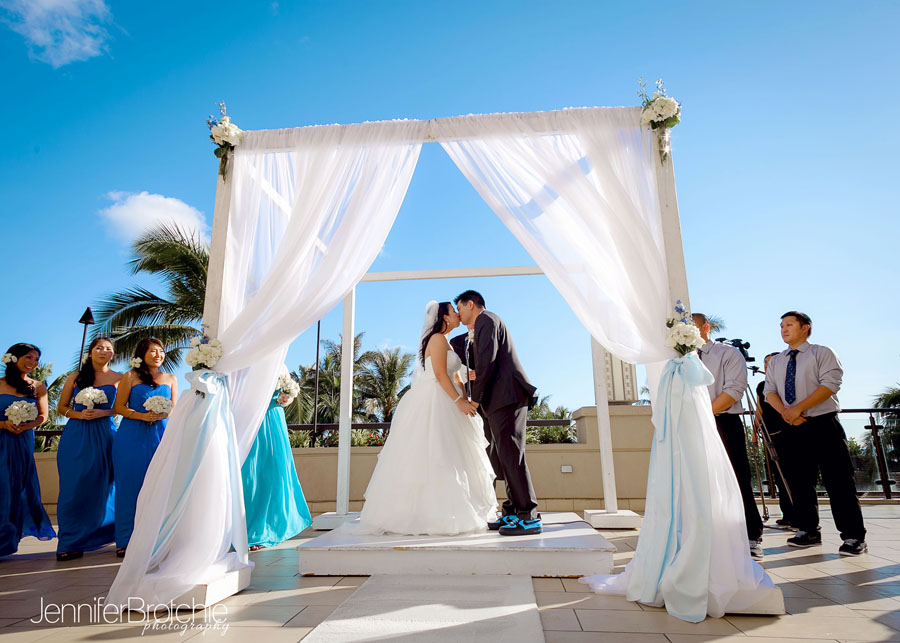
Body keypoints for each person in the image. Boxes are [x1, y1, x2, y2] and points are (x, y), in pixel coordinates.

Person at [356, 300, 497, 536]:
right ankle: (428, 515)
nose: (458, 314)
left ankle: (454, 510)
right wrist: (458, 401)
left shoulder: (448, 342)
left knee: (453, 456)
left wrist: (465, 398)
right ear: (444, 318)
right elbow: (440, 375)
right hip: (436, 400)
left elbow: (455, 377)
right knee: (437, 455)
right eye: (453, 311)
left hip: (451, 400)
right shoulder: (437, 339)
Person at [763, 311, 866, 555]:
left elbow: (830, 384)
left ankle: (853, 536)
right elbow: (769, 392)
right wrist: (788, 413)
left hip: (823, 424)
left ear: (805, 327)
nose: (783, 329)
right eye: (781, 326)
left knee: (839, 481)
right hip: (793, 426)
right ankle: (808, 530)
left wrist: (798, 408)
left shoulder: (822, 352)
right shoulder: (777, 361)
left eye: (789, 324)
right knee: (799, 482)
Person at [456, 290, 540, 536]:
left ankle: (529, 515)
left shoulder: (487, 320)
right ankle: (512, 512)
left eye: (459, 308)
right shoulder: (481, 325)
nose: (459, 313)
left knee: (512, 455)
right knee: (504, 457)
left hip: (508, 397)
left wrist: (475, 399)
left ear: (470, 304)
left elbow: (488, 361)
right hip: (498, 400)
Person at [692, 314, 764, 560]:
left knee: (736, 478)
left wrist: (704, 414)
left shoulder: (727, 354)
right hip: (690, 425)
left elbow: (733, 390)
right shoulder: (679, 359)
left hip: (723, 421)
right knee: (697, 481)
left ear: (705, 327)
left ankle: (751, 536)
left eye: (692, 326)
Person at [55, 337, 122, 561]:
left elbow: (122, 407)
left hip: (105, 434)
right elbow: (61, 407)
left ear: (113, 354)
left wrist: (103, 412)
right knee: (73, 487)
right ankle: (69, 542)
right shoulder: (75, 377)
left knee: (104, 485)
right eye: (99, 348)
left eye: (108, 349)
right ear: (90, 352)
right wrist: (79, 414)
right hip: (77, 434)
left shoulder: (120, 378)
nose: (104, 351)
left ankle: (106, 535)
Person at [112, 338, 177, 557]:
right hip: (132, 435)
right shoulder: (130, 376)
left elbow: (174, 408)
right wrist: (141, 416)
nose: (158, 355)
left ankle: (157, 539)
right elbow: (119, 407)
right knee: (129, 486)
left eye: (161, 351)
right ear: (142, 354)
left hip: (162, 435)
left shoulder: (171, 378)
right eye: (153, 351)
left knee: (161, 485)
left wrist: (163, 414)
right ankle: (126, 539)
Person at [241, 366, 312, 550]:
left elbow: (289, 395)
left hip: (273, 417)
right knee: (250, 473)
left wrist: (286, 399)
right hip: (252, 418)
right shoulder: (250, 359)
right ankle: (247, 528)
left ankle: (269, 526)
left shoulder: (282, 365)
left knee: (275, 471)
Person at [0, 343, 55, 557]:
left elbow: (43, 416)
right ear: (14, 358)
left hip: (23, 441)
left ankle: (8, 539)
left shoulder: (38, 386)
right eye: (29, 357)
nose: (33, 363)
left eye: (36, 359)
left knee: (17, 487)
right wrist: (4, 424)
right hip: (1, 437)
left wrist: (26, 426)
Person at [449, 327, 504, 483]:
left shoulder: (491, 338)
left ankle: (489, 491)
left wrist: (481, 375)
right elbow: (452, 371)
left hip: (488, 402)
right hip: (464, 403)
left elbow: (500, 366)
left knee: (488, 451)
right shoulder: (455, 342)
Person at [755, 352, 795, 530]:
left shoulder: (787, 383)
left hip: (788, 433)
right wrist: (755, 433)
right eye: (765, 363)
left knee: (791, 475)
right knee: (778, 477)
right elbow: (759, 411)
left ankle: (798, 515)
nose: (767, 366)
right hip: (770, 435)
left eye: (771, 362)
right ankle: (787, 514)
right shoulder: (762, 386)